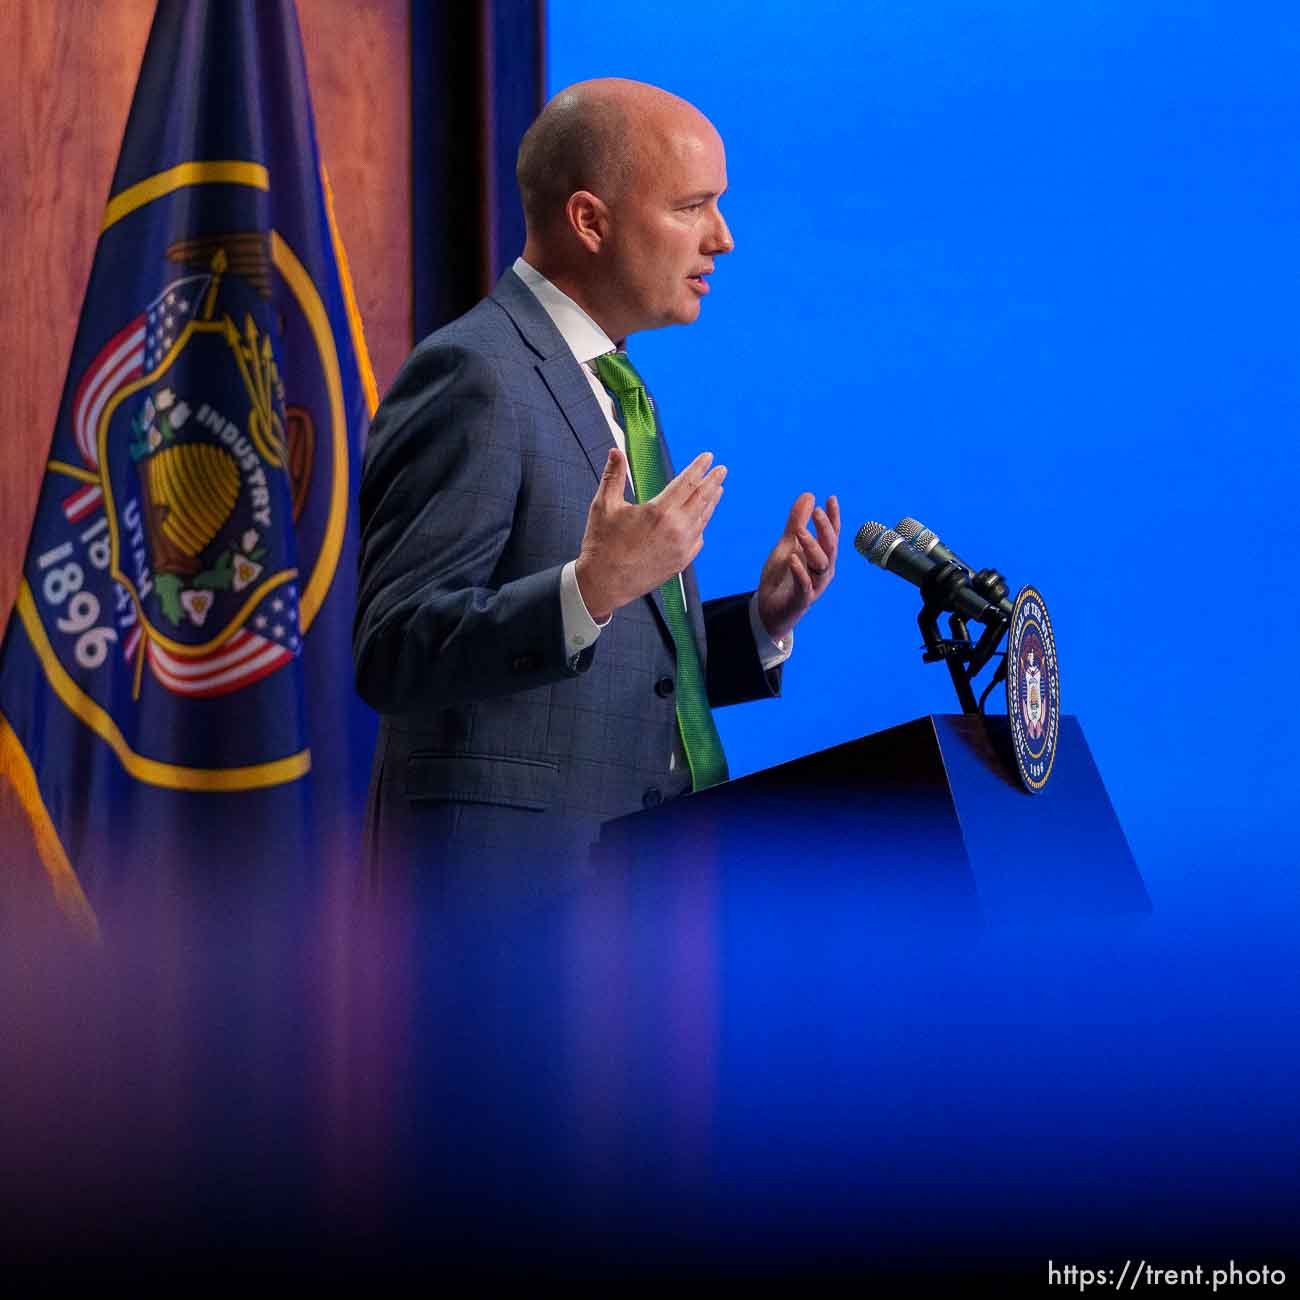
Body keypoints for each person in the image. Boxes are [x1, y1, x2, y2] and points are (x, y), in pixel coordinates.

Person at [353, 78, 840, 906]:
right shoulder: (475, 374)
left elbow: (622, 675)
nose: (722, 237)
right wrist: (592, 587)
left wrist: (758, 623)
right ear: (589, 220)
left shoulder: (615, 387)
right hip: (500, 911)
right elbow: (393, 652)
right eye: (693, 206)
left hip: (634, 908)